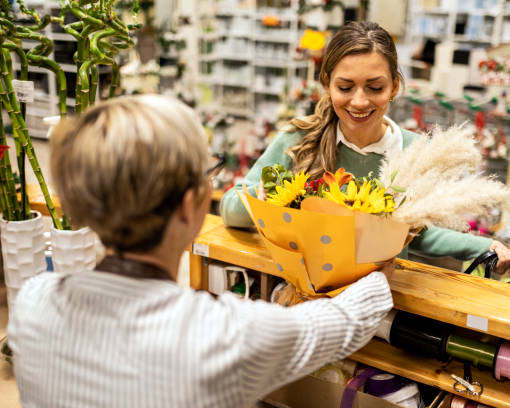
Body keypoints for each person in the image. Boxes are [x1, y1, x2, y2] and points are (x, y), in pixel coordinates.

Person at [7, 95, 394, 407]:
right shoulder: (221, 334)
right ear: (188, 205)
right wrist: (381, 261)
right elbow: (344, 322)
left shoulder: (33, 303)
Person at [220, 21, 510, 273]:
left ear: (395, 87)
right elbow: (229, 208)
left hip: (382, 301)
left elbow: (419, 234)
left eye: (375, 87)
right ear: (326, 84)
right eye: (345, 87)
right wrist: (263, 200)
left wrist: (485, 246)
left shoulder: (415, 153)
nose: (360, 101)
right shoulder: (300, 140)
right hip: (304, 299)